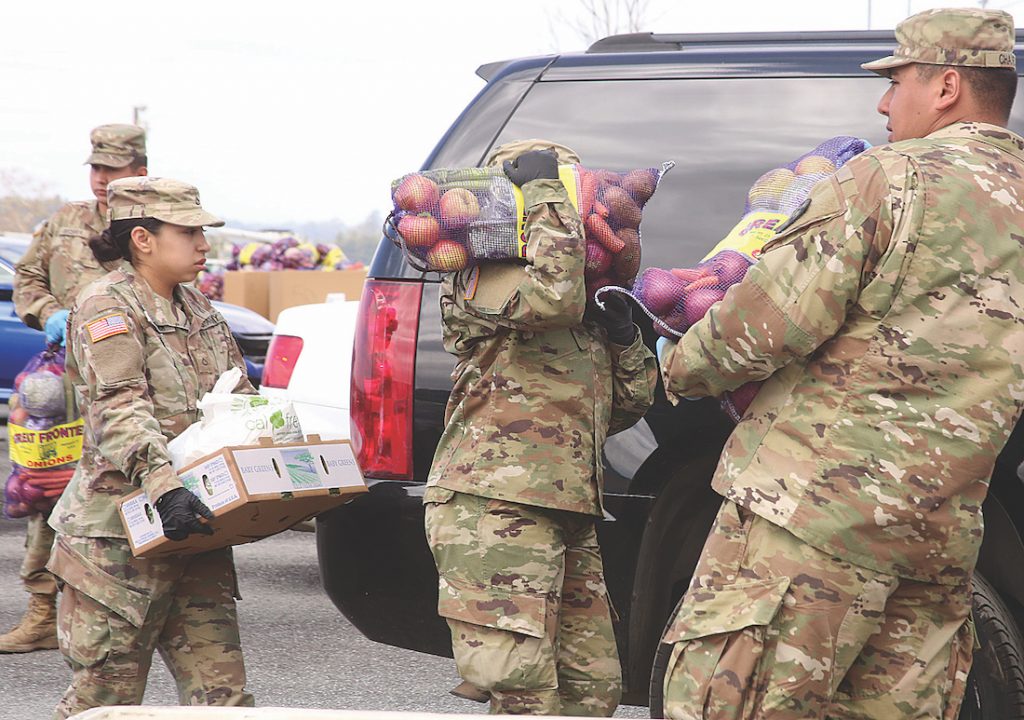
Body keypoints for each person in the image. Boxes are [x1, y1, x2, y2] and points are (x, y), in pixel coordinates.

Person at [656, 7, 1024, 719]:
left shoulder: (883, 181)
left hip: (812, 524)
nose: (884, 103)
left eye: (897, 82)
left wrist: (679, 361)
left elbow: (764, 326)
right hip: (939, 539)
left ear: (946, 85)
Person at [424, 139, 658, 716]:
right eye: (557, 189)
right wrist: (545, 187)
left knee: (592, 689)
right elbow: (548, 299)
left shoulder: (581, 303)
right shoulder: (486, 277)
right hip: (494, 503)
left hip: (567, 507)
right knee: (523, 691)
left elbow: (625, 408)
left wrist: (626, 339)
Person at [47, 177, 255, 717]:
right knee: (105, 703)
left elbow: (240, 399)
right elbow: (119, 409)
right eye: (189, 232)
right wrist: (165, 490)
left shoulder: (199, 308)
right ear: (142, 238)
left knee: (225, 701)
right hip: (118, 540)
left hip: (196, 529)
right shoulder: (105, 308)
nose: (204, 245)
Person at [3, 124, 147, 655]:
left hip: (128, 383)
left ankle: (122, 610)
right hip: (64, 389)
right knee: (49, 488)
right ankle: (43, 610)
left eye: (114, 169)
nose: (103, 179)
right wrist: (48, 314)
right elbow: (27, 277)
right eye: (96, 168)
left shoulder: (152, 224)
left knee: (125, 490)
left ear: (140, 170)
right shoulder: (66, 221)